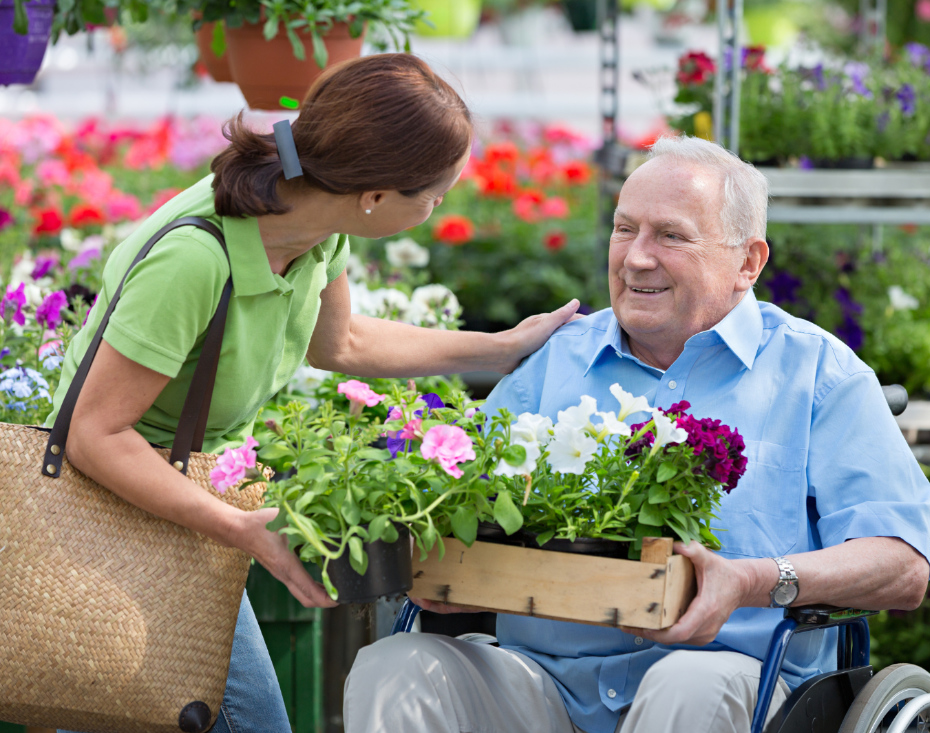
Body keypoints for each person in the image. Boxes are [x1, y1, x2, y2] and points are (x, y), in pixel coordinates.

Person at [48, 53, 579, 733]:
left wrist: (500, 345)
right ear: (376, 195)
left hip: (186, 504)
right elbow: (96, 434)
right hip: (119, 514)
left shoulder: (313, 225)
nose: (439, 206)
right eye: (434, 194)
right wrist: (241, 527)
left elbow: (343, 344)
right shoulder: (194, 260)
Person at [343, 135, 930, 733]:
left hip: (735, 689)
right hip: (545, 683)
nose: (636, 258)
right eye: (625, 230)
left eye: (671, 236)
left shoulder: (817, 375)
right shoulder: (554, 361)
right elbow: (465, 505)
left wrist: (754, 581)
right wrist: (454, 568)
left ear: (748, 263)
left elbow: (902, 563)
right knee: (396, 664)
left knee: (687, 683)